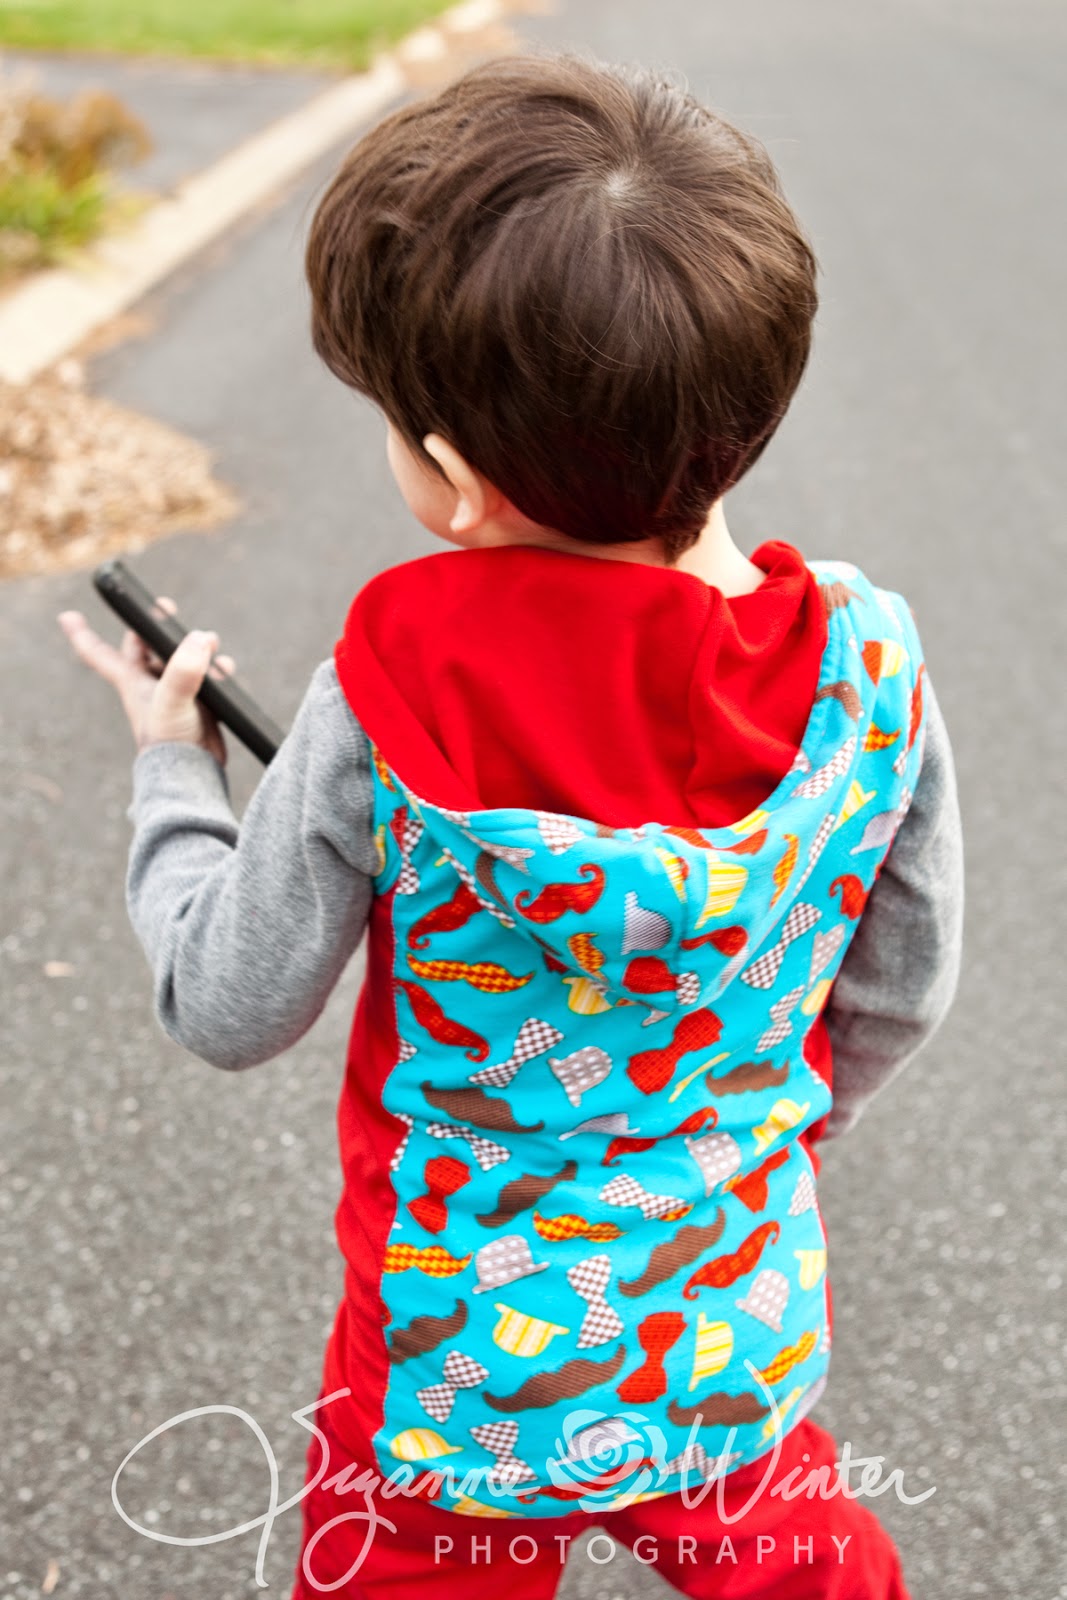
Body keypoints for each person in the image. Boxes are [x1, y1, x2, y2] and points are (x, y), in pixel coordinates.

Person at [57, 52, 964, 1600]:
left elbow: (227, 1001)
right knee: (804, 1563)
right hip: (723, 1315)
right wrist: (759, 1137)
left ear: (458, 482)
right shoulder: (866, 676)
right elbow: (900, 988)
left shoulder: (390, 694)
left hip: (448, 1364)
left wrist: (174, 776)